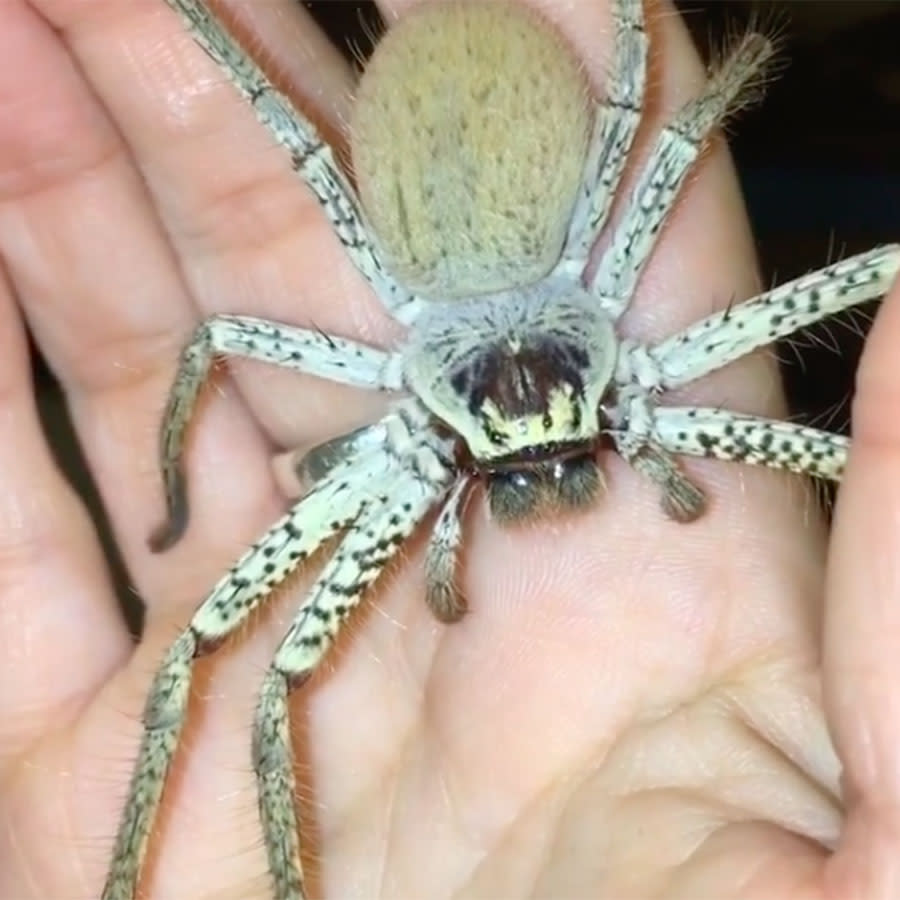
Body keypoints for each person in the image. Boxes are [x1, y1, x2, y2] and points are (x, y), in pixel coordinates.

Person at [0, 0, 897, 896]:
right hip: (518, 212)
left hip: (485, 210)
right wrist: (173, 478)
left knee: (264, 676)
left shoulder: (415, 457)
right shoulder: (642, 376)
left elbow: (694, 121)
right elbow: (217, 337)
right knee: (229, 657)